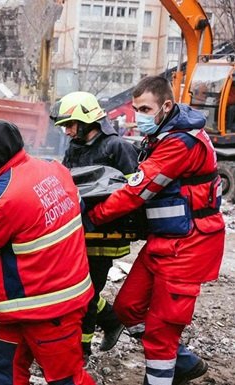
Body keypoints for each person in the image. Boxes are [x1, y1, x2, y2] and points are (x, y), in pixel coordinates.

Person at [84, 75, 225, 385]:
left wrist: (93, 216)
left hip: (189, 245)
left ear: (166, 106)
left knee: (161, 333)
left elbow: (138, 189)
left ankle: (164, 370)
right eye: (136, 109)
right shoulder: (164, 135)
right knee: (127, 308)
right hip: (166, 241)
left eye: (145, 109)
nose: (139, 116)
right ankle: (182, 362)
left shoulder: (179, 143)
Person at [0, 119, 95, 385]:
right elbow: (76, 205)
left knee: (66, 379)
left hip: (47, 307)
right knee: (7, 366)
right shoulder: (52, 169)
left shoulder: (3, 196)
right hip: (41, 301)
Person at [50, 91, 139, 358]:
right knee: (80, 289)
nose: (66, 132)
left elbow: (132, 194)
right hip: (81, 231)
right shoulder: (75, 147)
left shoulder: (117, 147)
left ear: (88, 120)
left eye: (69, 125)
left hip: (106, 235)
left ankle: (82, 349)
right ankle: (111, 321)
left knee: (86, 293)